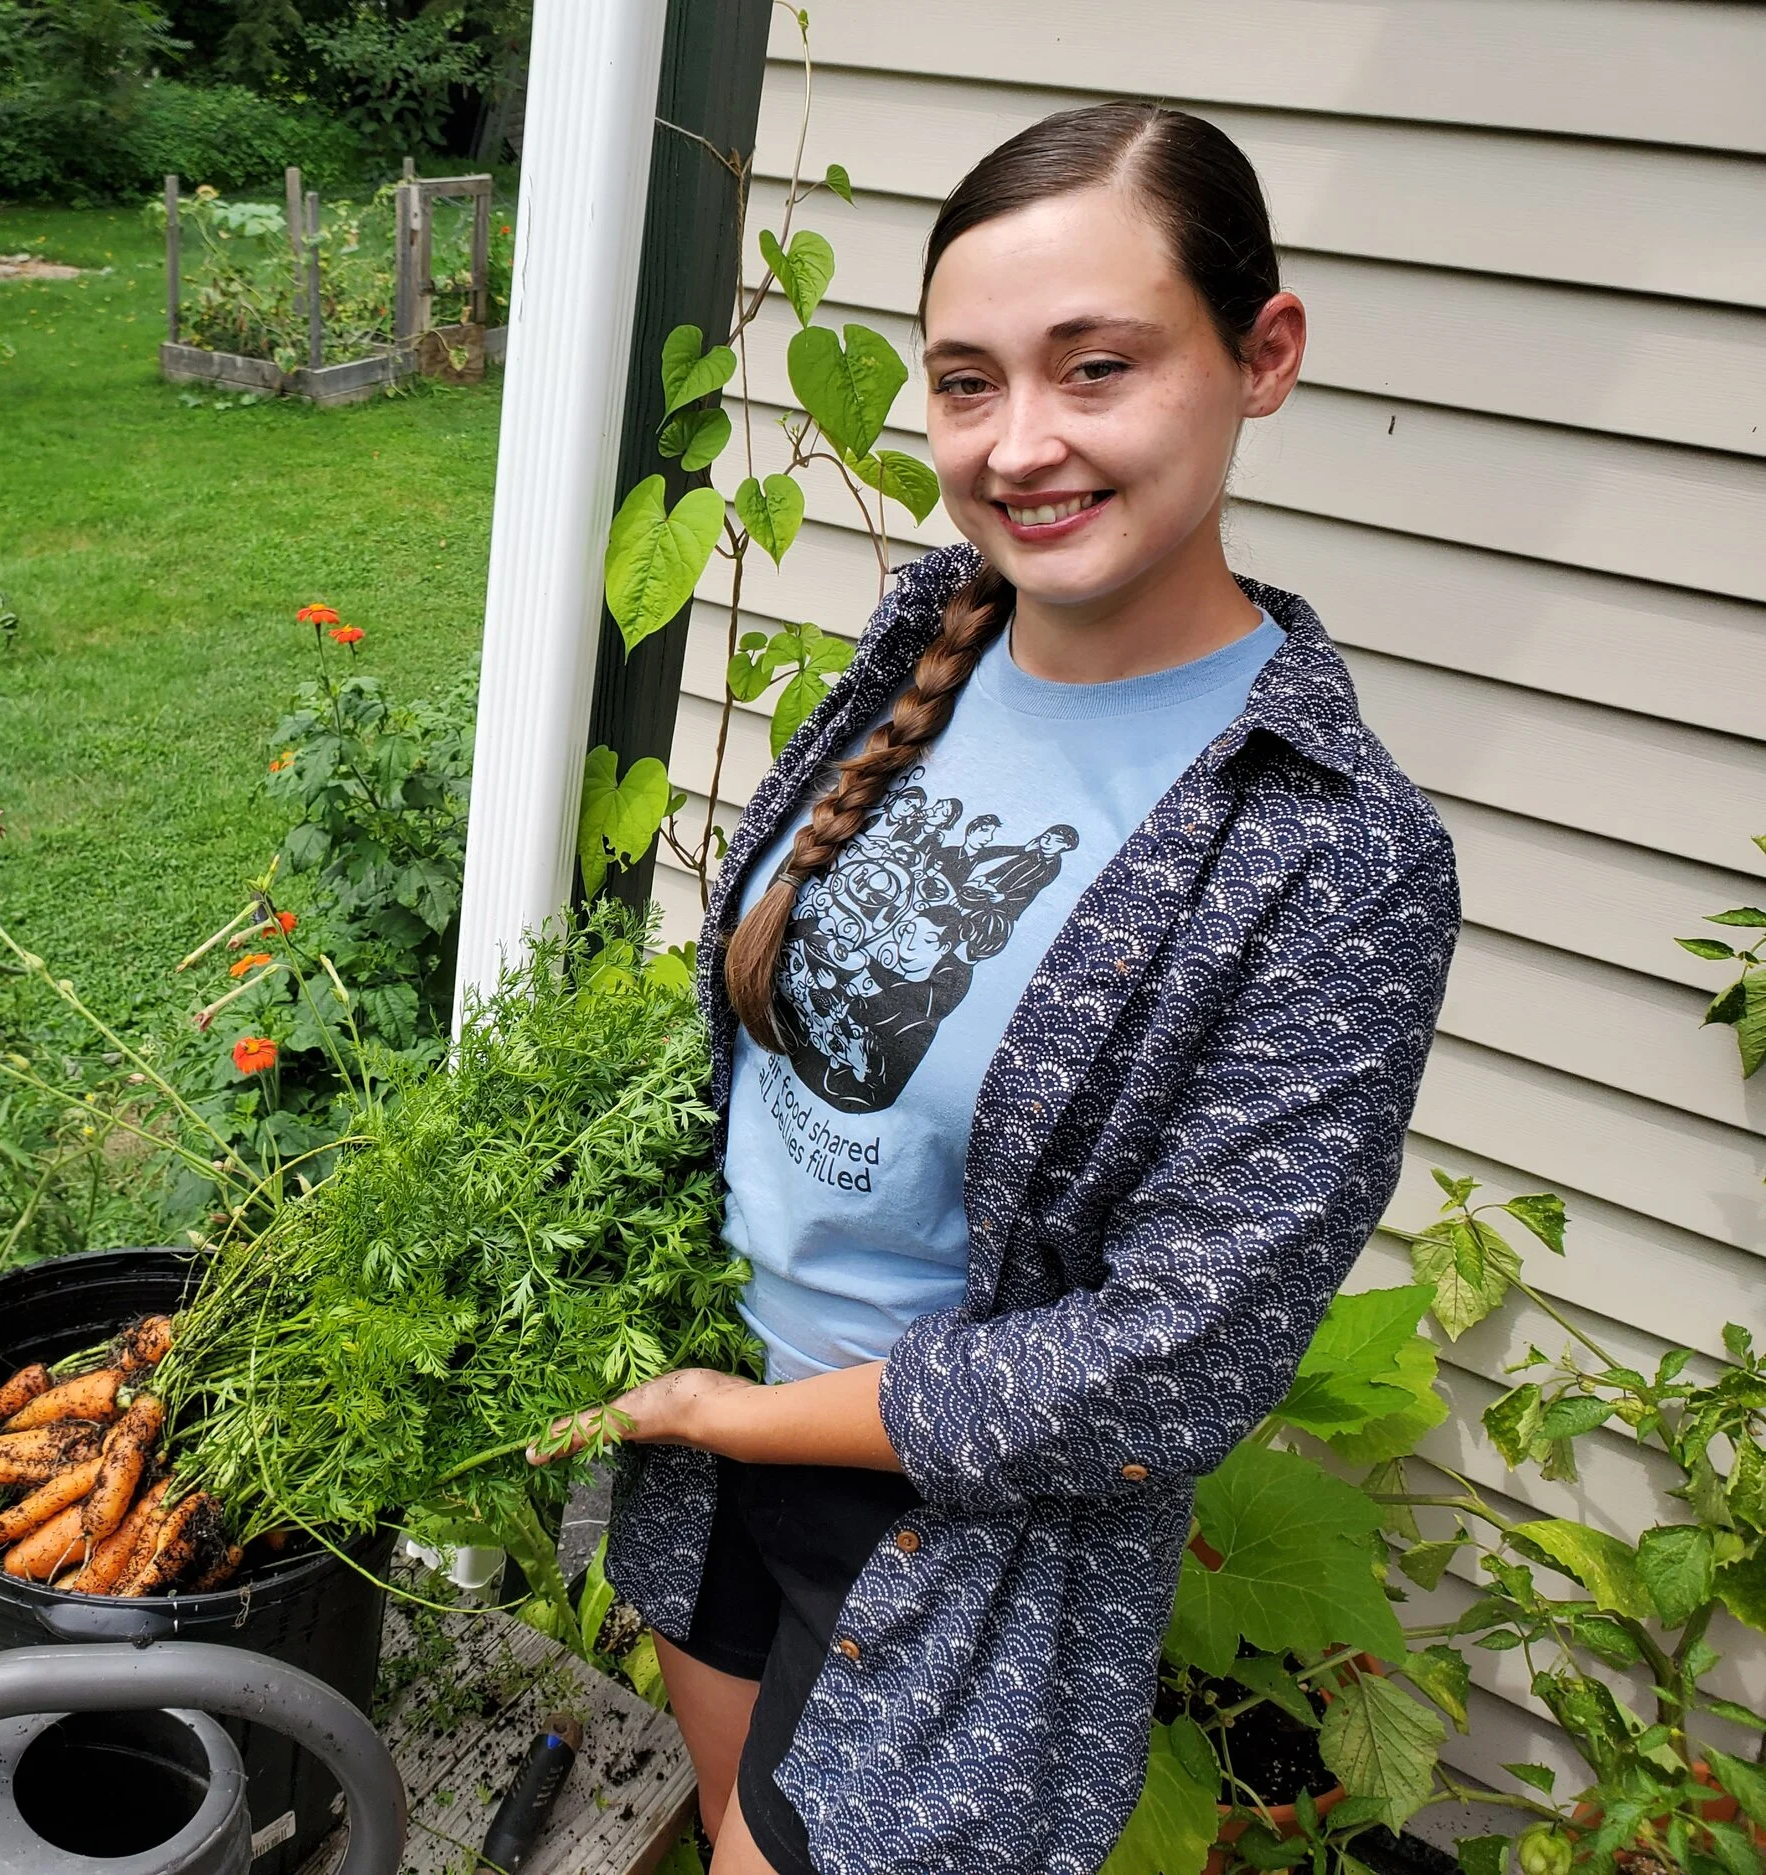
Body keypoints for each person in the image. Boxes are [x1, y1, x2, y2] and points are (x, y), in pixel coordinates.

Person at [533, 102, 1459, 1875]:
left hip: (953, 1558)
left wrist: (740, 1412)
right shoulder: (922, 638)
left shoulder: (1328, 851)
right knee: (719, 1812)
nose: (1020, 444)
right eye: (967, 383)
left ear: (1262, 355)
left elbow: (1173, 1355)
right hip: (709, 1448)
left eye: (1094, 366)